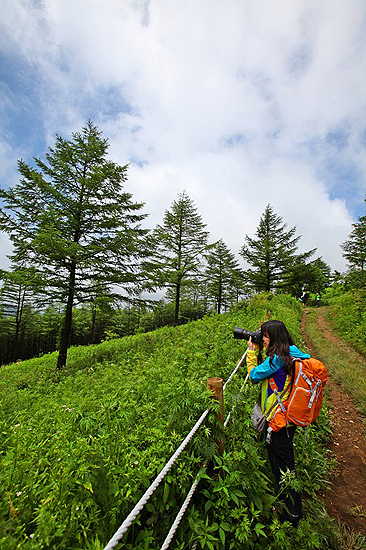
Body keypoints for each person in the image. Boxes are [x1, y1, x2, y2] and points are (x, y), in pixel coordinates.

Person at [246, 320, 310, 527]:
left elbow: (254, 375)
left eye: (265, 335)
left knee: (284, 467)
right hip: (285, 420)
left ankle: (292, 515)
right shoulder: (291, 353)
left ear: (273, 337)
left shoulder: (278, 359)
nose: (262, 339)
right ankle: (289, 506)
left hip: (280, 422)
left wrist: (251, 353)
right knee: (281, 463)